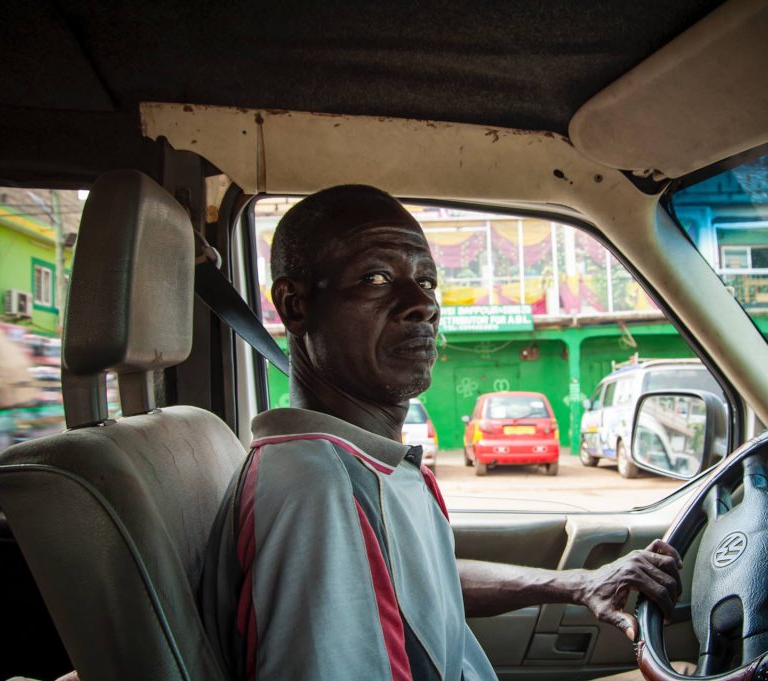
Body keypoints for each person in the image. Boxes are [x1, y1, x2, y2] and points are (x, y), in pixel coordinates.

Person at [200, 185, 683, 680]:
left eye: (427, 282)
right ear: (295, 306)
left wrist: (577, 584)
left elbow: (412, 586)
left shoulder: (363, 465)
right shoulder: (321, 489)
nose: (422, 305)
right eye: (376, 277)